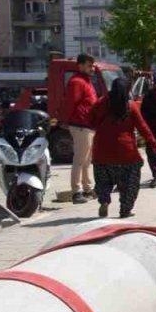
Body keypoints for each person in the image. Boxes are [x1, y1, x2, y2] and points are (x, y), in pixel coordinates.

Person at [89, 78, 156, 219]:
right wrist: (153, 144)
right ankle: (125, 210)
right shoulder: (131, 106)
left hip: (102, 150)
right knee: (130, 182)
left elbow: (90, 120)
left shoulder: (101, 103)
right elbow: (143, 127)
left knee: (103, 181)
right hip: (126, 152)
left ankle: (104, 201)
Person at [65, 53, 99, 204]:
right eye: (89, 65)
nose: (92, 68)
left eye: (93, 65)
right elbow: (70, 103)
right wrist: (65, 120)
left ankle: (87, 188)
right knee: (79, 159)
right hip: (80, 125)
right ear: (80, 66)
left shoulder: (86, 81)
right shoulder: (77, 82)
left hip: (88, 125)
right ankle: (76, 192)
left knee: (87, 160)